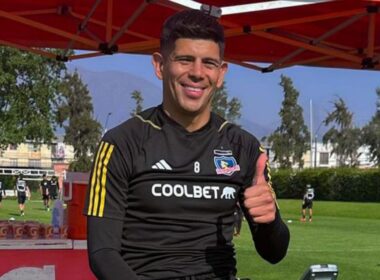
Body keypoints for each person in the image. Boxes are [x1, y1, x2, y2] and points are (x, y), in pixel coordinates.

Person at [84, 9, 290, 280]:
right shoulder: (121, 143)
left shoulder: (245, 147)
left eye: (209, 63)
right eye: (184, 60)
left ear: (221, 73)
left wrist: (270, 219)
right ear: (160, 65)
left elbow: (274, 253)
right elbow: (102, 253)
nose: (197, 73)